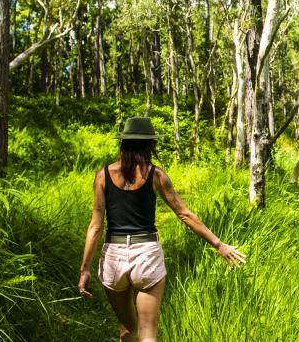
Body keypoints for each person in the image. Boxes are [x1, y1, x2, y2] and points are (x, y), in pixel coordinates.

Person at [78, 116, 246, 342]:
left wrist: (85, 269)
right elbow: (184, 214)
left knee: (128, 328)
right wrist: (219, 244)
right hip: (146, 255)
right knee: (147, 334)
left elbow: (96, 226)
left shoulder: (103, 176)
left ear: (124, 143)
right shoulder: (156, 175)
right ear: (150, 144)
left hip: (114, 257)